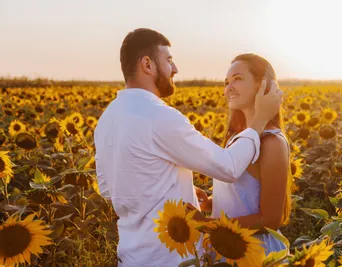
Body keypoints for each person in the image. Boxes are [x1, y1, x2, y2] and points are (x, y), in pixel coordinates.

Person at [94, 28, 283, 267]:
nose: (175, 69)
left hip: (132, 256)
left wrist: (176, 186)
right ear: (147, 65)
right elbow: (229, 167)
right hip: (170, 257)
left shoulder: (106, 119)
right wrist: (259, 121)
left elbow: (107, 188)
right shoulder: (160, 116)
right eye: (169, 60)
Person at [190, 53, 291, 258]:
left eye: (238, 79)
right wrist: (211, 202)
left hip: (258, 254)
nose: (229, 87)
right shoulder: (239, 138)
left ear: (262, 86)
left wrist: (207, 224)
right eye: (227, 82)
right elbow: (245, 195)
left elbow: (271, 219)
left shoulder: (272, 143)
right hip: (230, 247)